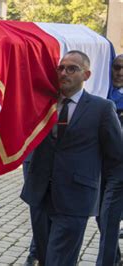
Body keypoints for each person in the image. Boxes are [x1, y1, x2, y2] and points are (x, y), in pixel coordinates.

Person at [20, 50, 123, 265]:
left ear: (86, 75)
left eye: (72, 68)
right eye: (61, 68)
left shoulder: (102, 109)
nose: (64, 73)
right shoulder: (42, 103)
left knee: (60, 260)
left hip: (76, 198)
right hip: (39, 195)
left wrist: (109, 199)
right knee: (45, 257)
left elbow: (117, 160)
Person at [96, 54, 123, 266]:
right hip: (100, 166)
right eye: (116, 67)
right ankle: (115, 257)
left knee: (109, 218)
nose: (120, 72)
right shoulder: (102, 93)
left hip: (120, 170)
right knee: (100, 216)